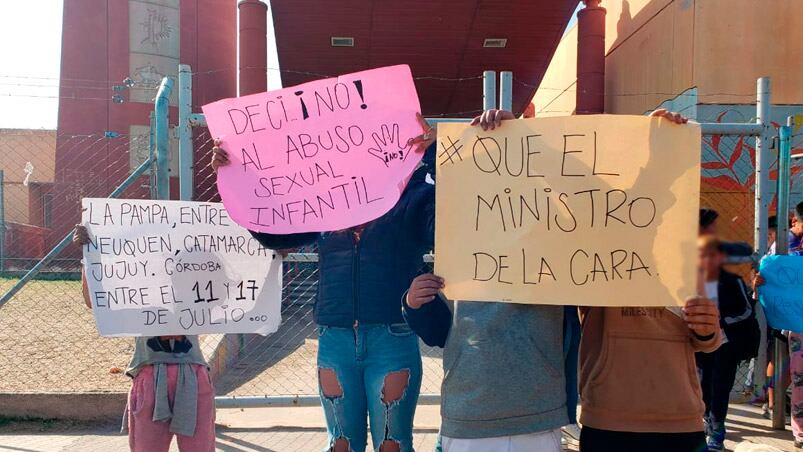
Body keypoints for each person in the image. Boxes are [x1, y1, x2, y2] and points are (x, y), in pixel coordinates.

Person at [210, 114, 434, 452]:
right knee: (341, 444)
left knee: (393, 445)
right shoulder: (327, 194)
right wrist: (234, 177)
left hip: (393, 335)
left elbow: (446, 225)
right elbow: (275, 235)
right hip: (335, 339)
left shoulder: (417, 193)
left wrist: (435, 156)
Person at [404, 109, 567, 452]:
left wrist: (521, 133)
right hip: (468, 416)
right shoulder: (454, 239)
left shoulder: (556, 236)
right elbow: (437, 332)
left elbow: (572, 184)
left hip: (536, 416)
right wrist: (415, 304)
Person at [577, 108, 723, 452]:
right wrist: (509, 133)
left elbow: (710, 339)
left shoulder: (687, 256)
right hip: (608, 418)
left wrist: (707, 328)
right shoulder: (585, 249)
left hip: (680, 418)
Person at [73, 225, 216, 452]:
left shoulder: (200, 290)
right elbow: (96, 302)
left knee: (198, 447)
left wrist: (272, 258)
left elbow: (244, 296)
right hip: (149, 374)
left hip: (192, 374)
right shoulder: (140, 289)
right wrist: (88, 256)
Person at [695, 235, 761, 452]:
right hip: (699, 345)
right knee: (701, 384)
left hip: (726, 345)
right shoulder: (691, 281)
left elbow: (745, 311)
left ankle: (717, 430)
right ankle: (706, 420)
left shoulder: (733, 282)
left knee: (721, 386)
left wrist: (720, 322)